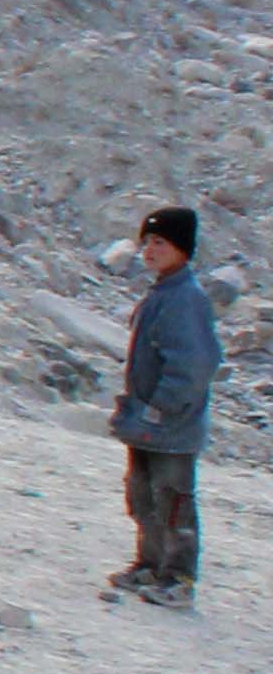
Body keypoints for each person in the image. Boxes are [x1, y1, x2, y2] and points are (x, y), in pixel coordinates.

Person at [113, 206, 213, 606]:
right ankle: (150, 565)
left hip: (171, 424)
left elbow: (194, 364)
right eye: (147, 243)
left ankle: (178, 578)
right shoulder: (163, 293)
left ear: (183, 249)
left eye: (160, 243)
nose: (150, 251)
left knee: (173, 500)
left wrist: (161, 407)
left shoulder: (186, 300)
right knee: (143, 494)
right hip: (147, 422)